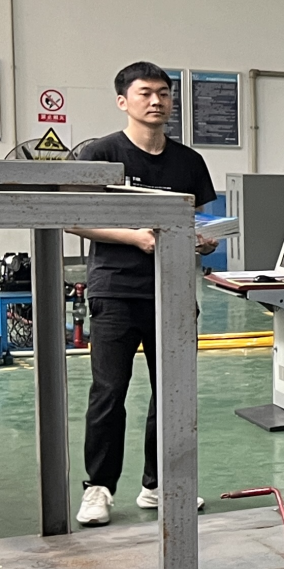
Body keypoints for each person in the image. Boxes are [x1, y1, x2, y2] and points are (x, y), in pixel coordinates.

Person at [68, 62, 217, 527]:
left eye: (164, 93)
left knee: (172, 393)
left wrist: (204, 240)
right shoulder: (100, 154)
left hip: (173, 292)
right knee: (109, 392)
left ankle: (160, 484)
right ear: (123, 101)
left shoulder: (188, 162)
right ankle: (98, 488)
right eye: (145, 93)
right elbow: (73, 219)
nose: (156, 101)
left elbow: (200, 220)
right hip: (115, 290)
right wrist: (134, 237)